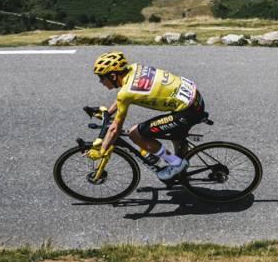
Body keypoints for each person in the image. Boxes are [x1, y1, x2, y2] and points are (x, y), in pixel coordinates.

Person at [88, 50, 208, 181]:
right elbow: (124, 97)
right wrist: (108, 112)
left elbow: (114, 129)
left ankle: (176, 163)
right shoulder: (135, 68)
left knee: (135, 133)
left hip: (187, 111)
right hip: (195, 98)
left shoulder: (125, 93)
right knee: (176, 135)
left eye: (101, 78)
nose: (101, 82)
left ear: (112, 76)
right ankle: (180, 171)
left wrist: (101, 150)